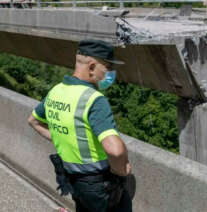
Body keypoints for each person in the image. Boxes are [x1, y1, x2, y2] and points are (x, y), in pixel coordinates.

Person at [28, 39, 132, 212]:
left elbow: (33, 121)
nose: (111, 74)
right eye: (107, 68)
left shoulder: (56, 91)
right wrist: (121, 170)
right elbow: (116, 150)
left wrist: (65, 140)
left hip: (73, 180)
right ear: (92, 67)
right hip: (99, 184)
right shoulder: (94, 99)